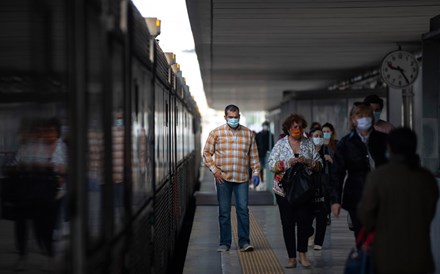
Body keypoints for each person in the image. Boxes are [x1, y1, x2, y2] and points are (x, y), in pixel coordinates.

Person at [358, 127, 439, 274]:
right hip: (420, 255)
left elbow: (366, 213)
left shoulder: (378, 177)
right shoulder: (426, 178)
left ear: (389, 148)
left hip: (386, 256)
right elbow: (429, 212)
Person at [10, 118, 67, 271]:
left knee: (45, 226)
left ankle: (49, 253)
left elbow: (66, 169)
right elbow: (14, 166)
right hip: (28, 192)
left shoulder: (61, 148)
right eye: (44, 130)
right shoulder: (29, 146)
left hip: (52, 194)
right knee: (23, 225)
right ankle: (23, 255)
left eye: (50, 131)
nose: (46, 134)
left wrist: (50, 166)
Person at [202, 104, 260, 252]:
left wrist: (255, 173)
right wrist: (215, 171)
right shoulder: (216, 133)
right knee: (224, 211)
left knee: (242, 210)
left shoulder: (248, 134)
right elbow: (206, 153)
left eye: (236, 117)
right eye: (231, 117)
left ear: (239, 117)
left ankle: (244, 242)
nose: (233, 120)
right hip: (223, 179)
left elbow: (253, 156)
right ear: (225, 117)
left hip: (241, 179)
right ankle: (225, 243)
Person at [268, 113, 322, 268]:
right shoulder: (280, 144)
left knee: (304, 222)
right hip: (283, 191)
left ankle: (302, 254)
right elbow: (271, 164)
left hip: (304, 191)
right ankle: (291, 257)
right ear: (288, 128)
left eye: (300, 127)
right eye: (294, 127)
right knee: (287, 223)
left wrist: (308, 162)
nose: (297, 129)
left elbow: (319, 165)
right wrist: (287, 163)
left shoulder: (308, 143)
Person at [328, 102, 387, 239]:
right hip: (356, 195)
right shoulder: (346, 143)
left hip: (382, 194)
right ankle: (364, 258)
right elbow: (337, 173)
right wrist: (335, 200)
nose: (364, 119)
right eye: (360, 116)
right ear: (353, 120)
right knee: (361, 236)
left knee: (381, 235)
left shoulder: (383, 140)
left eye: (367, 115)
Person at [308, 127, 328, 251]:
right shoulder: (307, 151)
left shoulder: (328, 151)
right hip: (309, 188)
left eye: (321, 135)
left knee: (322, 216)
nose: (319, 137)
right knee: (307, 216)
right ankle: (310, 232)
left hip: (324, 188)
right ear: (311, 137)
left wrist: (330, 160)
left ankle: (318, 242)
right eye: (316, 135)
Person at [321, 122, 338, 224]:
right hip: (322, 175)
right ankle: (326, 215)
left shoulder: (336, 144)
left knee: (331, 195)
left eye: (327, 131)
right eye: (323, 132)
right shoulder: (319, 144)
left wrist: (331, 159)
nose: (325, 133)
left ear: (332, 132)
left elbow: (340, 161)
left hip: (332, 175)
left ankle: (330, 213)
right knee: (324, 195)